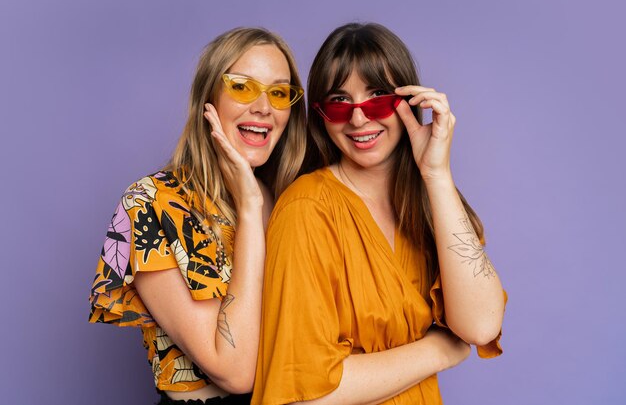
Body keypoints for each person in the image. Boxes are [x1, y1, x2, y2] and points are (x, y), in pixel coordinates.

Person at [252, 22, 506, 405]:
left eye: (378, 99)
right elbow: (303, 395)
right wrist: (438, 351)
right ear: (321, 115)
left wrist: (436, 175)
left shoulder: (430, 200)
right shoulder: (306, 211)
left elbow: (482, 324)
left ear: (409, 103)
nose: (358, 119)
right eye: (339, 103)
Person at [89, 27, 306, 404]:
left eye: (279, 92)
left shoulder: (294, 200)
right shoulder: (152, 203)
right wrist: (251, 212)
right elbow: (236, 372)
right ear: (209, 98)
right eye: (242, 86)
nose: (264, 107)